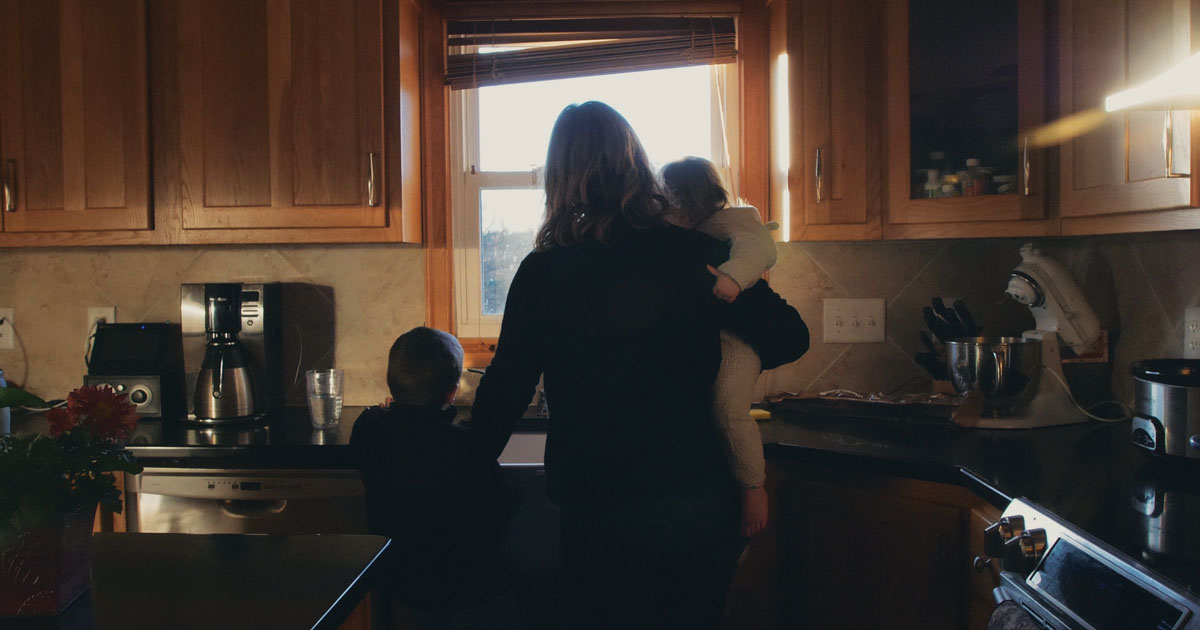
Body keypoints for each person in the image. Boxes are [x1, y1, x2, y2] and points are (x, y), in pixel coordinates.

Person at [468, 101, 809, 630]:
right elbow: (789, 338)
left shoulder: (544, 271)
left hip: (598, 505)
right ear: (638, 167)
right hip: (695, 495)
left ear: (560, 178)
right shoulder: (695, 254)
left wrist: (462, 463)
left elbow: (507, 386)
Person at [350, 327, 518, 630]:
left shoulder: (369, 429)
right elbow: (501, 505)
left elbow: (384, 422)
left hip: (406, 587)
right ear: (451, 394)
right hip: (473, 591)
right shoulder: (466, 446)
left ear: (391, 384)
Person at [661, 156, 777, 539]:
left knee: (729, 409)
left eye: (668, 205)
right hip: (722, 336)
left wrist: (732, 278)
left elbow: (759, 249)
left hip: (739, 342)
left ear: (685, 203)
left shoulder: (730, 222)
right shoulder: (699, 231)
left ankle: (754, 488)